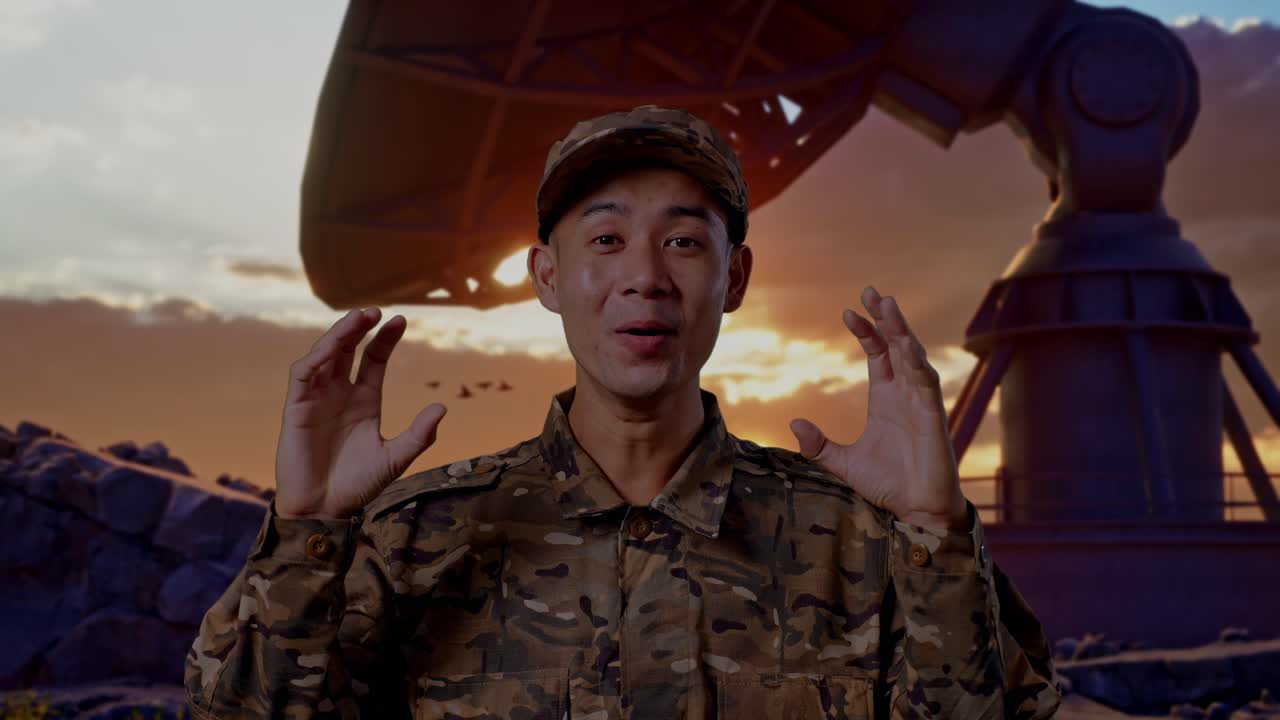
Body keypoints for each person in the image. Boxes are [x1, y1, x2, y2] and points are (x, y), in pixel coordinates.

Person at [185, 105, 1061, 719]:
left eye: (684, 240)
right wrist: (307, 532)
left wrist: (935, 533)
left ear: (738, 279)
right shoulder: (412, 541)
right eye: (605, 239)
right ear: (547, 277)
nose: (645, 274)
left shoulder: (859, 542)